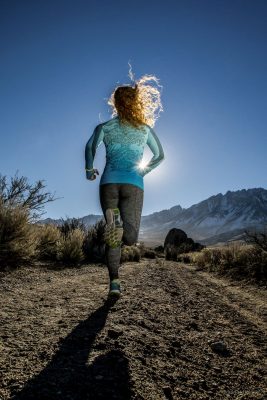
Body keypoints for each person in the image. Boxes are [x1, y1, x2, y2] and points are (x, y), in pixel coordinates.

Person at [85, 74, 165, 298]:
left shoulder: (105, 126)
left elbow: (90, 147)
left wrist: (89, 170)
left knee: (114, 235)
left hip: (108, 183)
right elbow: (160, 156)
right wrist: (144, 170)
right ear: (137, 103)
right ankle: (117, 221)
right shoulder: (144, 129)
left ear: (115, 103)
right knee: (129, 238)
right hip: (133, 184)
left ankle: (114, 284)